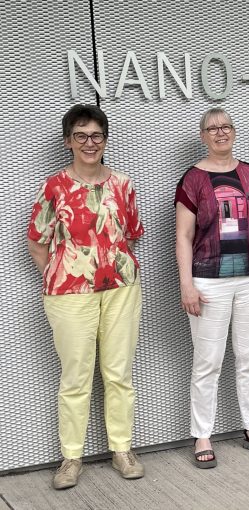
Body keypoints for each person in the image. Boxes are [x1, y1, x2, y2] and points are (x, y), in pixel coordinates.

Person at [27, 104, 145, 489]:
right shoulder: (54, 186)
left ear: (105, 140)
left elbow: (131, 233)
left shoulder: (123, 184)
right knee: (76, 376)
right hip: (69, 294)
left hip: (121, 289)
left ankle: (122, 449)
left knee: (118, 373)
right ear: (68, 142)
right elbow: (37, 240)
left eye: (96, 135)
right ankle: (71, 457)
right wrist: (59, 274)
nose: (89, 143)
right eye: (81, 135)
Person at [175, 108, 249, 468]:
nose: (220, 132)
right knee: (208, 361)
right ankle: (202, 433)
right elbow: (183, 236)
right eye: (212, 128)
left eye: (225, 127)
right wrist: (186, 284)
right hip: (209, 281)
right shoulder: (192, 180)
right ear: (202, 136)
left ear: (234, 132)